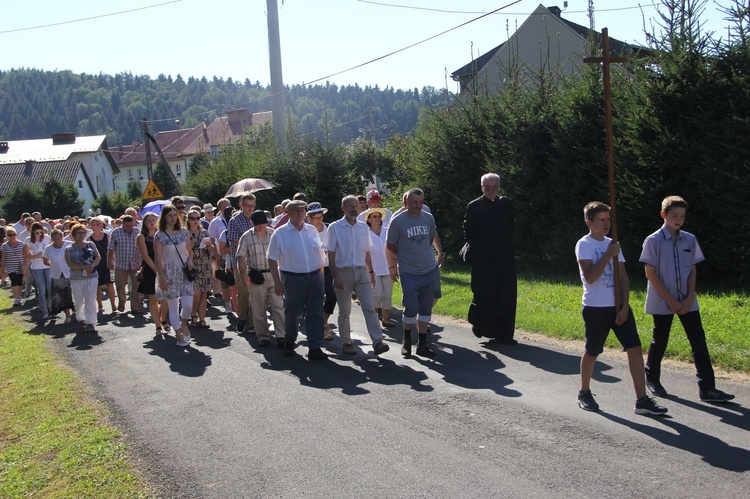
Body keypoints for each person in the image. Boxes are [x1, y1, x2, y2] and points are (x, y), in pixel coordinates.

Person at [575, 201, 668, 415]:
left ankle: (642, 400)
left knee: (634, 348)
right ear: (589, 222)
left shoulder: (613, 243)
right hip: (595, 307)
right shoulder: (585, 244)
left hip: (617, 305)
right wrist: (608, 254)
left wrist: (625, 305)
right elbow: (590, 278)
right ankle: (584, 392)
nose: (606, 224)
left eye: (608, 220)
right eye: (601, 220)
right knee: (593, 350)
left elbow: (623, 277)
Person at [640, 196, 735, 403]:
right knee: (660, 340)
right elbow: (650, 273)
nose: (678, 219)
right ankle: (653, 379)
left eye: (682, 216)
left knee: (698, 341)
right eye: (674, 215)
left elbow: (692, 270)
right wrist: (671, 300)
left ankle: (707, 389)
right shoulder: (653, 240)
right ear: (663, 215)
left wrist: (690, 296)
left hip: (687, 299)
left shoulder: (690, 239)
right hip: (662, 299)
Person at [323, 195, 390, 356]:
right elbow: (330, 254)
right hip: (343, 273)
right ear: (343, 208)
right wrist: (335, 276)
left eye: (356, 205)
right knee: (345, 311)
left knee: (369, 307)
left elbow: (367, 251)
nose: (354, 208)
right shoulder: (335, 227)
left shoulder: (362, 227)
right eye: (350, 206)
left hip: (361, 272)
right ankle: (347, 342)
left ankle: (377, 342)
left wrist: (371, 272)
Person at [386, 188, 444, 358]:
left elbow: (430, 238)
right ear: (406, 203)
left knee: (426, 308)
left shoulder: (428, 218)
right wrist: (401, 258)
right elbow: (389, 245)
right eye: (414, 203)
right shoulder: (397, 222)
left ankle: (422, 343)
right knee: (411, 307)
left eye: (420, 202)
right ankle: (406, 341)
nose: (418, 206)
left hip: (428, 270)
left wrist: (438, 254)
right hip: (409, 272)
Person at [267, 200, 328, 360]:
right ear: (288, 213)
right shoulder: (280, 233)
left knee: (315, 313)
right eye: (297, 210)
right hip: (293, 278)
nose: (301, 213)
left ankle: (314, 347)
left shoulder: (312, 230)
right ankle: (289, 341)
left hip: (314, 276)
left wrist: (321, 276)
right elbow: (272, 259)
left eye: (303, 210)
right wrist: (277, 282)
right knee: (293, 313)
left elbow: (320, 255)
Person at [463, 173, 518, 344]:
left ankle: (505, 334)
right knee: (485, 295)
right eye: (487, 187)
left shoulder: (506, 203)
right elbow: (468, 233)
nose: (491, 190)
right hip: (483, 260)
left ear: (499, 188)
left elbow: (510, 227)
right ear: (482, 187)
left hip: (505, 258)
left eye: (494, 187)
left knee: (507, 295)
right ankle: (481, 325)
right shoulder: (474, 206)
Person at [237, 210, 286, 347]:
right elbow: (241, 257)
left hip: (274, 274)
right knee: (259, 308)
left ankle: (281, 335)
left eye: (263, 223)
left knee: (278, 306)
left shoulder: (274, 234)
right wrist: (243, 275)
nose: (261, 226)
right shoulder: (246, 237)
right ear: (252, 223)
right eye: (258, 224)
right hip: (256, 275)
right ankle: (263, 337)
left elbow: (283, 252)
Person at [154, 205, 195, 347]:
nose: (173, 218)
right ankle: (178, 335)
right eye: (170, 215)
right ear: (164, 217)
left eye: (174, 215)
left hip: (184, 272)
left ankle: (184, 324)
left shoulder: (184, 232)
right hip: (168, 273)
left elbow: (190, 252)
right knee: (173, 306)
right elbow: (158, 259)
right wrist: (162, 278)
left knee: (188, 304)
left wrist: (190, 261)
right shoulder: (160, 235)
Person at [307, 202, 338, 340]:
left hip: (329, 266)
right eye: (315, 217)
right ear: (309, 218)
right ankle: (320, 326)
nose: (318, 220)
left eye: (320, 216)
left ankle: (324, 321)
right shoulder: (306, 231)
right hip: (313, 268)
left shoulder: (329, 228)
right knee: (317, 297)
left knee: (332, 295)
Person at [228, 193, 257, 333]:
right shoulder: (234, 221)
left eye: (252, 205)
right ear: (241, 205)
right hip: (240, 261)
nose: (250, 208)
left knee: (255, 292)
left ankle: (253, 321)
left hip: (256, 261)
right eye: (247, 205)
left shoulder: (257, 219)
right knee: (244, 292)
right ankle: (243, 317)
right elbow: (236, 242)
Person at [136, 213, 168, 336]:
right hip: (150, 269)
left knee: (166, 297)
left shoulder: (162, 235)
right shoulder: (141, 237)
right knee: (153, 298)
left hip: (165, 268)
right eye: (148, 220)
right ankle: (157, 325)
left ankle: (163, 318)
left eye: (153, 220)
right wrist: (155, 268)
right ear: (144, 223)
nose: (151, 222)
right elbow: (145, 255)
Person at [65, 223, 101, 332]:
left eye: (83, 233)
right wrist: (82, 267)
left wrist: (91, 266)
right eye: (78, 233)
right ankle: (81, 318)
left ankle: (91, 322)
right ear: (73, 235)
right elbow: (69, 263)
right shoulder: (69, 248)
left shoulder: (90, 244)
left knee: (90, 300)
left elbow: (98, 257)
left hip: (91, 276)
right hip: (77, 277)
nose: (81, 235)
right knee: (78, 300)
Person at [107, 214, 142, 314]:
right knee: (120, 284)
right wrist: (109, 261)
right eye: (127, 226)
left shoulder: (137, 232)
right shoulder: (116, 232)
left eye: (131, 225)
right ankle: (122, 302)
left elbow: (141, 247)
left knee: (136, 286)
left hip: (135, 263)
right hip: (121, 263)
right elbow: (110, 248)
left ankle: (135, 307)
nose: (130, 228)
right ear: (123, 224)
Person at [365, 207, 394, 327]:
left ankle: (386, 319)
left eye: (378, 216)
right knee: (377, 294)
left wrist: (394, 266)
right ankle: (374, 319)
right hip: (374, 269)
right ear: (369, 220)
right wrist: (369, 271)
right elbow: (365, 254)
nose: (377, 219)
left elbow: (393, 249)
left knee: (387, 294)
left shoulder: (387, 231)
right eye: (374, 216)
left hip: (388, 267)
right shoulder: (366, 234)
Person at [187, 208, 216, 328]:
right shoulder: (185, 233)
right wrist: (191, 245)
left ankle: (202, 318)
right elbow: (182, 252)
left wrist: (209, 245)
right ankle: (193, 315)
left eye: (197, 218)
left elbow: (211, 251)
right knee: (196, 293)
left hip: (205, 265)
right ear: (188, 220)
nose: (195, 220)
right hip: (192, 266)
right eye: (192, 218)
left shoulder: (204, 232)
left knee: (204, 293)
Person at [43, 229, 74, 324]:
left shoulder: (69, 244)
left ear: (62, 237)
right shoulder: (49, 248)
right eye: (55, 239)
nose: (57, 240)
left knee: (73, 293)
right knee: (62, 295)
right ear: (52, 239)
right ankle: (67, 315)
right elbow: (45, 261)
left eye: (59, 238)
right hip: (57, 274)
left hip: (70, 272)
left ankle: (76, 311)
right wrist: (54, 265)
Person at [23, 222, 52, 320]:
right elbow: (26, 256)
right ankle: (45, 311)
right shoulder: (28, 240)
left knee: (50, 287)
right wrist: (37, 256)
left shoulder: (47, 238)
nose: (39, 234)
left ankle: (52, 309)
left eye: (41, 232)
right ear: (32, 232)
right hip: (36, 267)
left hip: (48, 265)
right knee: (41, 289)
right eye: (37, 233)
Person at [208, 198, 233, 311]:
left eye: (229, 206)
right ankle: (228, 303)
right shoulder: (215, 222)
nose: (227, 208)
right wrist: (216, 255)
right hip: (222, 254)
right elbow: (212, 239)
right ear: (219, 208)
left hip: (235, 254)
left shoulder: (234, 219)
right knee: (225, 280)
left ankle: (236, 303)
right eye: (224, 207)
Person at [88, 216, 116, 314]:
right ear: (90, 226)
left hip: (106, 261)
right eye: (93, 224)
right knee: (97, 285)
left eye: (98, 223)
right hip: (96, 263)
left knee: (110, 283)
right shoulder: (89, 238)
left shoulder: (107, 235)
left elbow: (111, 249)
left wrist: (113, 260)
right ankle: (100, 306)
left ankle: (113, 305)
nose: (96, 226)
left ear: (101, 224)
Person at [1, 227, 27, 306]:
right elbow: (3, 258)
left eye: (14, 234)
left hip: (20, 266)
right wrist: (3, 269)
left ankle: (18, 297)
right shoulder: (4, 246)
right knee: (14, 281)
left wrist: (26, 266)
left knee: (20, 283)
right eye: (10, 235)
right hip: (10, 266)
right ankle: (16, 299)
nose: (12, 236)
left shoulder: (21, 244)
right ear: (7, 236)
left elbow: (25, 255)